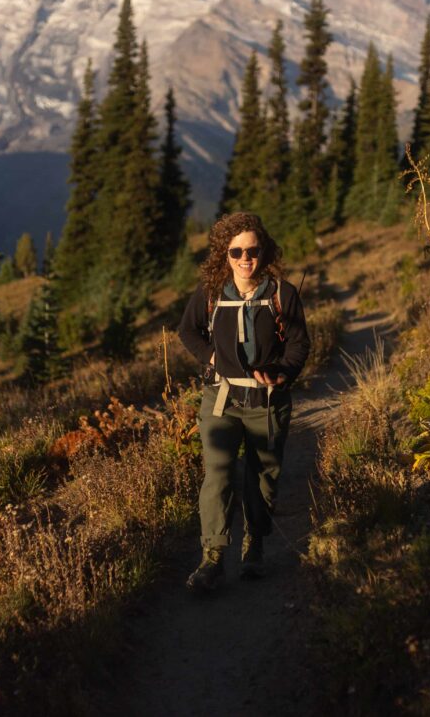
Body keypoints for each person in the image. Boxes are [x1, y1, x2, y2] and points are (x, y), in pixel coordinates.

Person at [177, 212, 310, 591]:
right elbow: (187, 331)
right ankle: (213, 558)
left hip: (267, 401)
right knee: (218, 476)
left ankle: (254, 546)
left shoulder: (282, 293)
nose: (245, 258)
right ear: (225, 254)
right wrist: (211, 357)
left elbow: (300, 343)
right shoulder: (211, 293)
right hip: (221, 399)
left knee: (262, 478)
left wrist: (283, 372)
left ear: (264, 251)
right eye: (236, 251)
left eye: (252, 250)